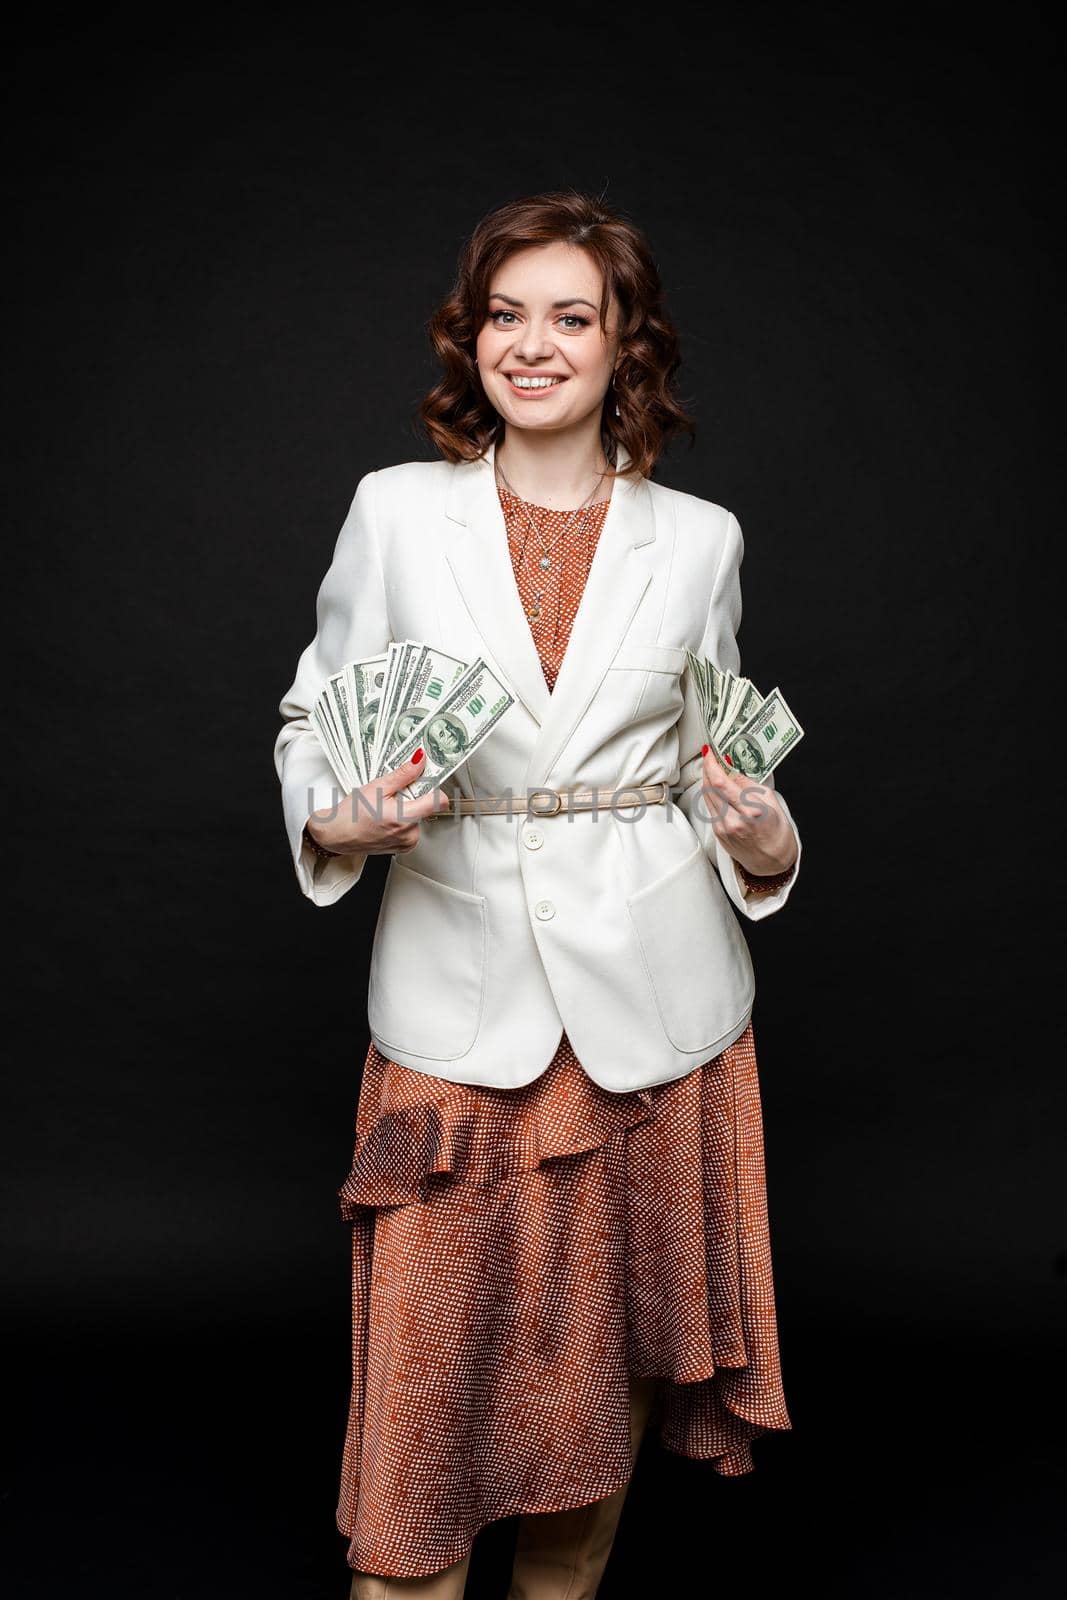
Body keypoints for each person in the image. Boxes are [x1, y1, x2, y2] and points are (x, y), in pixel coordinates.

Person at [274, 188, 802, 1600]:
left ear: (625, 345)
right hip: (459, 1014)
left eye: (571, 316)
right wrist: (346, 816)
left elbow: (722, 770)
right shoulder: (394, 514)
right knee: (418, 1474)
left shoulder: (701, 541)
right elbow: (310, 724)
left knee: (597, 1421)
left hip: (658, 1029)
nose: (534, 343)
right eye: (507, 314)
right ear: (474, 340)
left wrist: (762, 836)